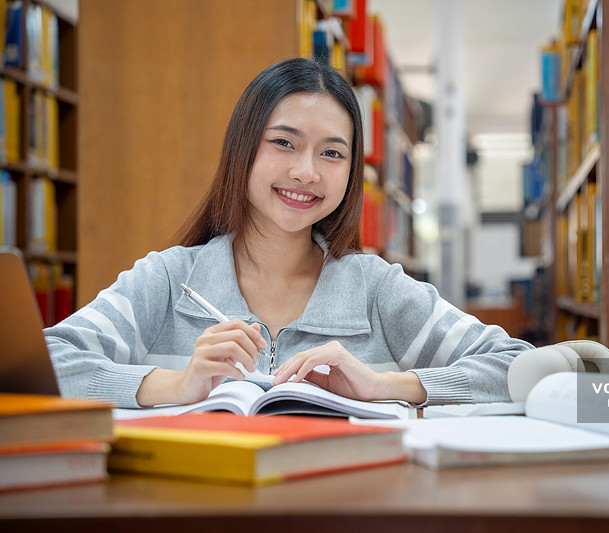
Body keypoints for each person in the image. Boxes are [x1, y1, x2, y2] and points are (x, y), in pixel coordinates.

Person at [45, 58, 534, 409]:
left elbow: (518, 364)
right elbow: (44, 363)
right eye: (284, 143)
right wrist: (173, 385)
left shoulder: (377, 289)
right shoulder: (169, 280)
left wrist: (386, 384)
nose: (306, 172)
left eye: (332, 153)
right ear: (243, 150)